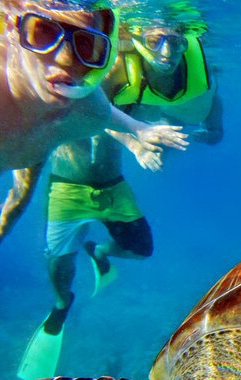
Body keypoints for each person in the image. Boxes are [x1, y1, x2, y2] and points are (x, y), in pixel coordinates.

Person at [17, 22, 222, 380]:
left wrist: (204, 127)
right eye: (156, 40)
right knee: (60, 266)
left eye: (173, 41)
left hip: (112, 182)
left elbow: (155, 114)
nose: (165, 50)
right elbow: (92, 117)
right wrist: (136, 143)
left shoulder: (130, 84)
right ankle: (62, 306)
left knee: (141, 247)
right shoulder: (78, 84)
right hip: (69, 184)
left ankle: (99, 251)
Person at [0, 2, 187, 243]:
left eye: (87, 45)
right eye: (43, 32)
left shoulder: (87, 106)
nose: (66, 59)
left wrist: (138, 130)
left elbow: (102, 113)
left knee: (18, 204)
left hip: (31, 149)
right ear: (13, 30)